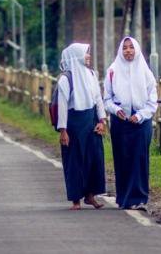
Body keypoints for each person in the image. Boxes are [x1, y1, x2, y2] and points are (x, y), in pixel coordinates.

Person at [103, 36, 157, 211]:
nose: (128, 51)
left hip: (141, 122)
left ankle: (139, 198)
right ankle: (124, 198)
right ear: (120, 50)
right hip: (121, 121)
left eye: (131, 47)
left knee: (140, 159)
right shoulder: (112, 70)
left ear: (137, 49)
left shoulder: (146, 72)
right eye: (125, 48)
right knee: (122, 158)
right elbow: (107, 99)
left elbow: (152, 101)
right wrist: (115, 110)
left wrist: (141, 115)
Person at [56, 43, 106, 211]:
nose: (89, 56)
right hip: (73, 124)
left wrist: (102, 121)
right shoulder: (65, 79)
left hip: (91, 121)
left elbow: (98, 98)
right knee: (75, 161)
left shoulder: (91, 74)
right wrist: (63, 131)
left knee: (94, 159)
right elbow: (62, 106)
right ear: (76, 56)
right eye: (86, 54)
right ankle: (76, 200)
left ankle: (91, 195)